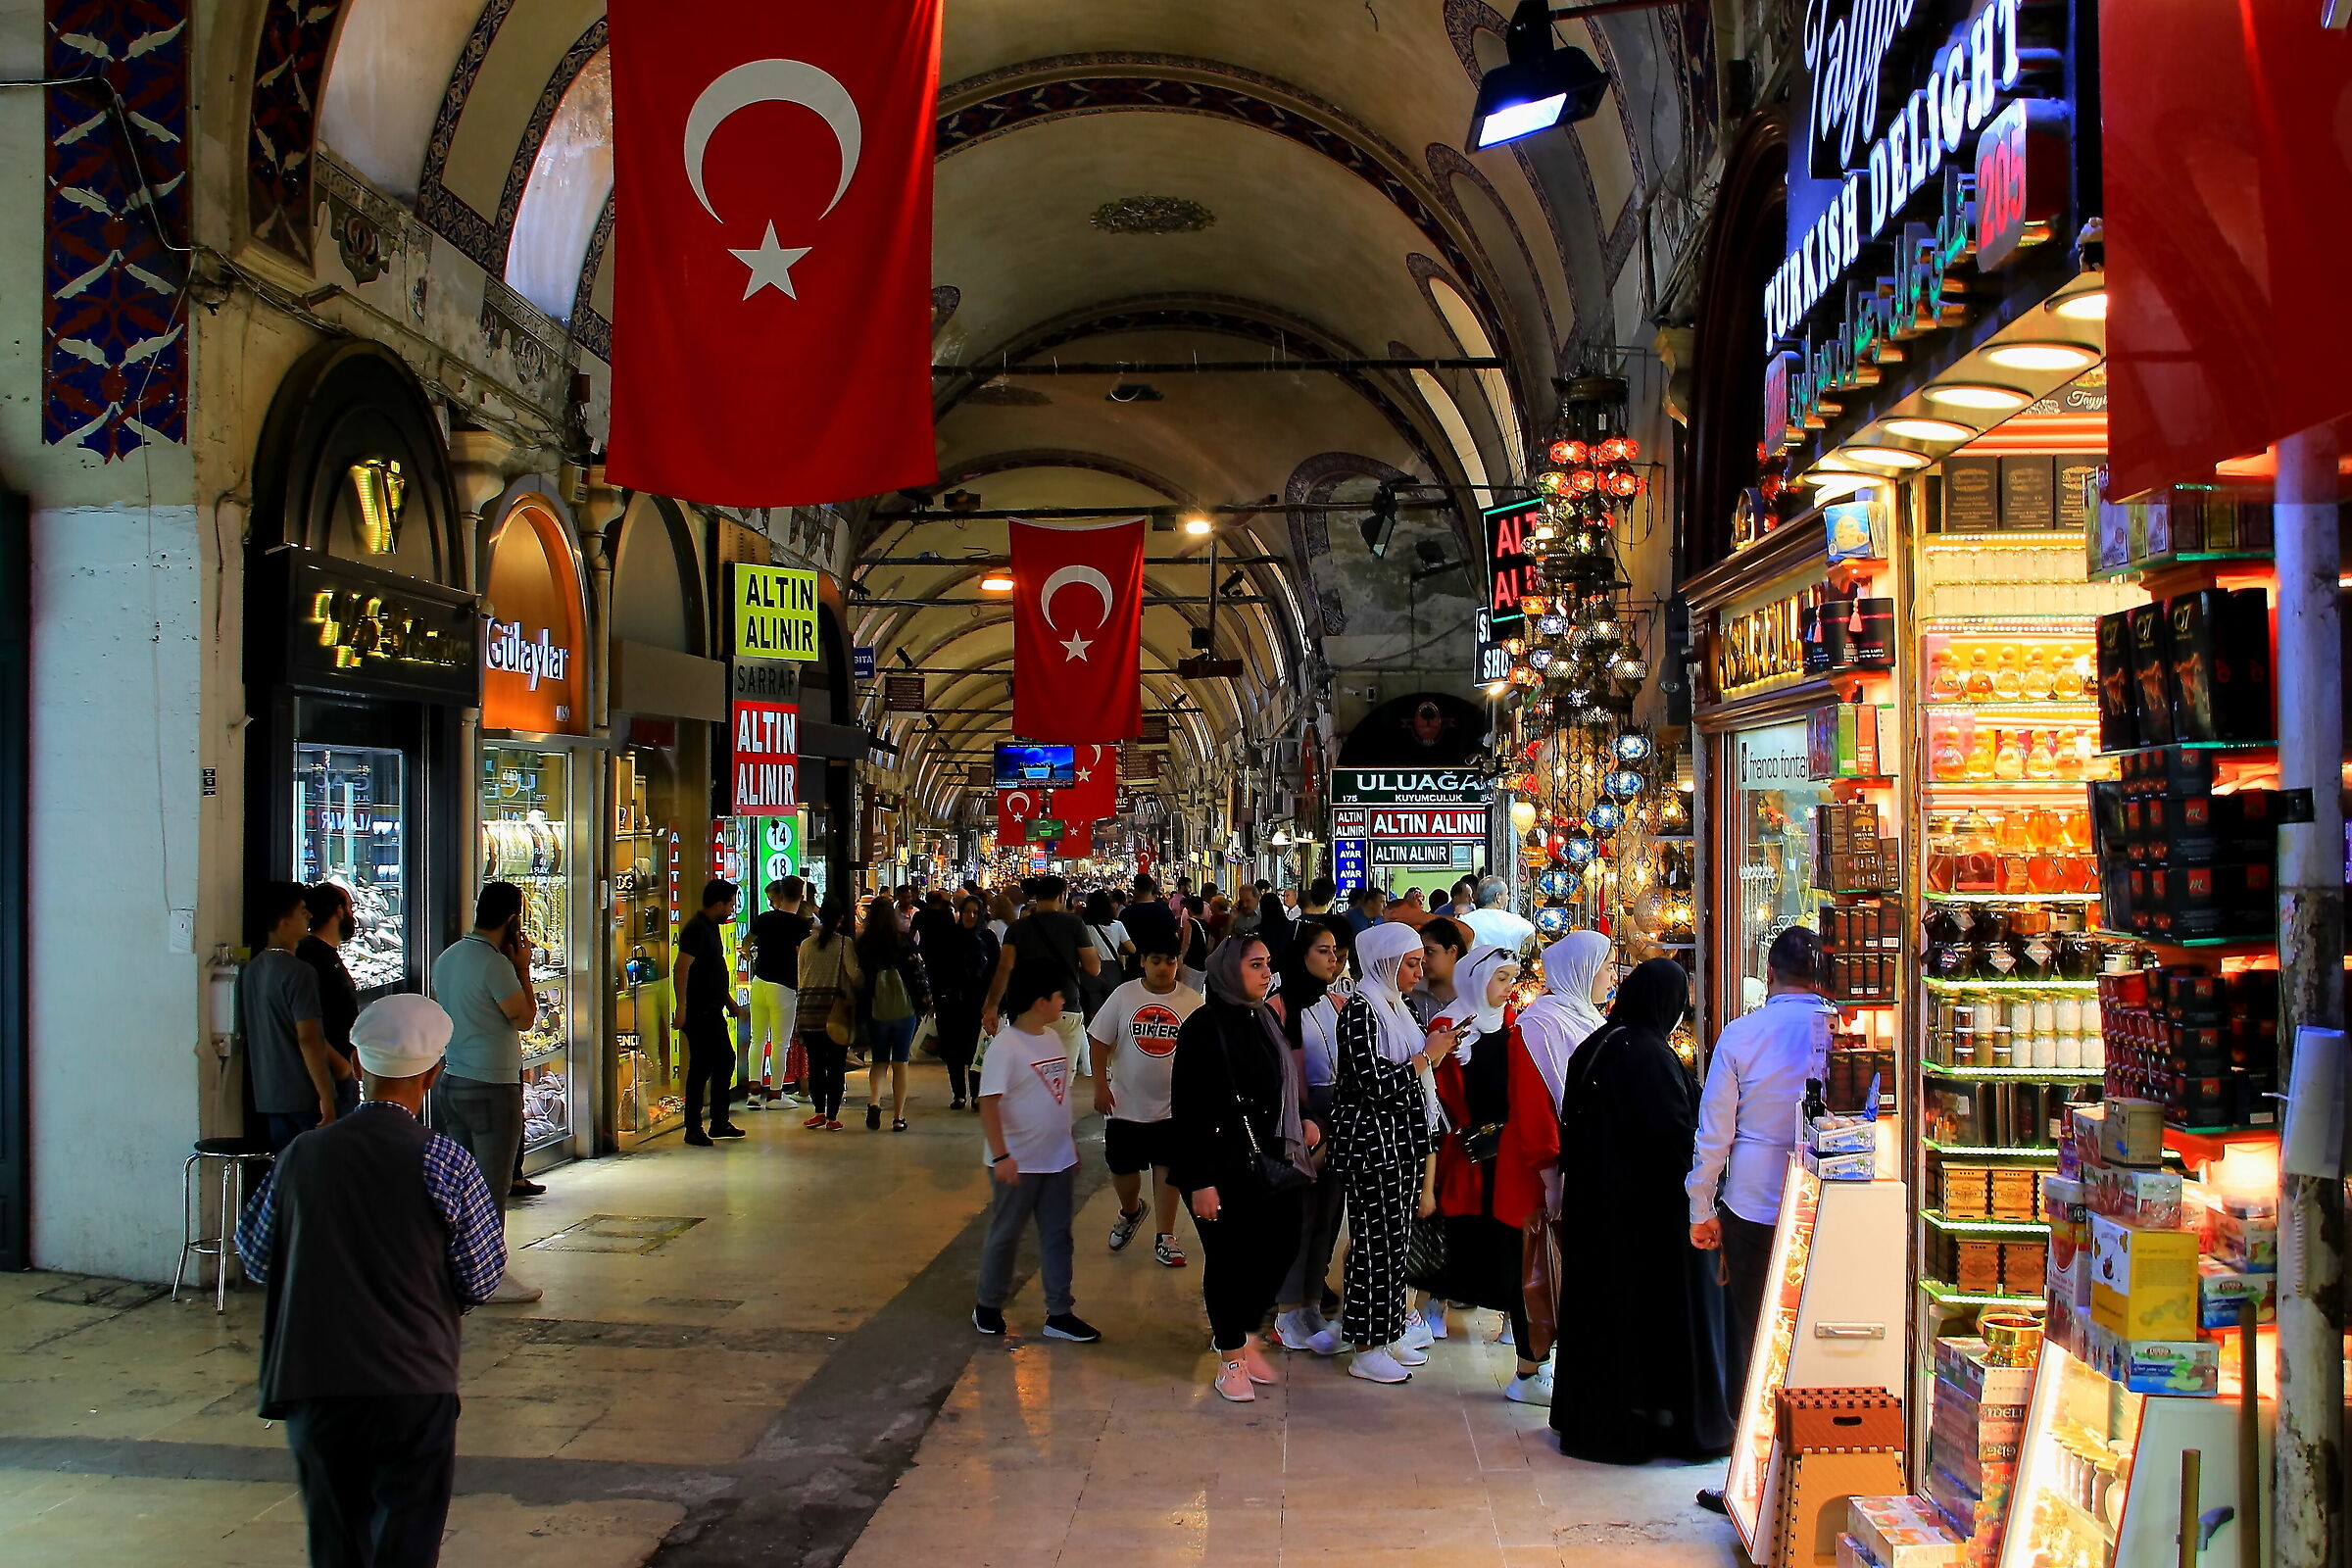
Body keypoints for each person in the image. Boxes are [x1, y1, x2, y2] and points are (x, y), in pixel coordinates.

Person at [235, 994, 506, 1568]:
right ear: (433, 1075)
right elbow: (481, 1277)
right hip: (414, 1381)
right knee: (407, 1544)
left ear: (356, 1066)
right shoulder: (447, 1162)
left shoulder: (299, 1156)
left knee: (336, 1544)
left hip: (315, 1382)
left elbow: (257, 1258)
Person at [1552, 957, 1732, 1465]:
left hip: (1596, 1208)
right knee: (1641, 1319)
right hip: (1642, 1218)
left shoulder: (1598, 1043)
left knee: (1600, 1315)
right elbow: (1671, 1138)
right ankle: (1646, 1422)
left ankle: (1595, 1420)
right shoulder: (1650, 1055)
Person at [1688, 926, 1833, 1510]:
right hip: (1825, 1196)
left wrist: (1701, 1206)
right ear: (1820, 975)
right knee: (1813, 1331)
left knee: (1755, 1336)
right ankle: (1814, 1466)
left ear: (1770, 973)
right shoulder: (1838, 1026)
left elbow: (1714, 1132)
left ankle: (1753, 1479)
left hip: (1751, 1200)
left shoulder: (1743, 1034)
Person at [1168, 936, 1319, 1404]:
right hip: (1219, 1164)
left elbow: (1282, 1082)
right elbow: (1187, 1108)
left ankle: (1245, 1334)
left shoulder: (1263, 1018)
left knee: (1280, 1245)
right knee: (1230, 1260)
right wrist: (1199, 1182)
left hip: (1269, 1159)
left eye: (1267, 964)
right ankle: (1231, 1356)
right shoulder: (1203, 1026)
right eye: (1255, 965)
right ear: (1232, 971)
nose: (1264, 973)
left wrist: (1303, 1120)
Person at [1327, 922, 1459, 1385]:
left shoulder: (1396, 1008)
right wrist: (1427, 1057)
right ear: (1385, 962)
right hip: (1372, 1145)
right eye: (1411, 962)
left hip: (1399, 1143)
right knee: (1374, 1247)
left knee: (1394, 1245)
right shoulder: (1361, 1011)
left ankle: (1387, 1330)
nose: (1418, 971)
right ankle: (1366, 1345)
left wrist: (1434, 1054)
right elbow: (1374, 1084)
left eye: (1421, 962)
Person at [1424, 947, 1554, 1404]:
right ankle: (1439, 1304)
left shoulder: (1514, 1024)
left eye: (1511, 979)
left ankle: (1512, 1326)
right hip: (1470, 1150)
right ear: (1477, 978)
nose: (1507, 989)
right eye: (1500, 979)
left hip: (1509, 1152)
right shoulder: (1451, 1028)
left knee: (1509, 1242)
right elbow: (1439, 1097)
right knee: (1465, 1233)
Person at [429, 882, 542, 1304]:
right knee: (491, 1187)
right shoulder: (495, 964)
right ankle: (488, 1275)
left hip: (453, 1080)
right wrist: (523, 969)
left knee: (460, 1185)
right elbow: (525, 1017)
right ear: (513, 919)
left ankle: (455, 1266)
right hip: (492, 1085)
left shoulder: (449, 957)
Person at [974, 967, 1101, 1345]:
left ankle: (1059, 1313)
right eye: (1058, 997)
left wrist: (1069, 1145)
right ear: (1039, 1002)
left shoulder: (1051, 1039)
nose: (1063, 1003)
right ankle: (987, 1305)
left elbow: (1056, 1097)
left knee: (1058, 1235)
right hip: (1018, 1161)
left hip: (1056, 1160)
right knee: (1007, 1234)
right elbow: (989, 1103)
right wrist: (1001, 1156)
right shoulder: (1006, 1046)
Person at [1090, 936, 1202, 1268]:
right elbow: (1098, 1040)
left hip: (1172, 1105)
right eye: (1156, 961)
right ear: (1143, 962)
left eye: (1170, 961)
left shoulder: (1192, 1001)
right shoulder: (1124, 995)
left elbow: (1203, 1050)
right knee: (1122, 1167)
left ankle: (1165, 1235)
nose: (1164, 969)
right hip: (1125, 1102)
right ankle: (1131, 1211)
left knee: (1168, 1170)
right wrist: (1099, 1084)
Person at [1270, 915, 1350, 1356]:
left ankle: (1312, 1306)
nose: (1333, 960)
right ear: (1300, 955)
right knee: (1296, 1219)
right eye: (1323, 951)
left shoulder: (1335, 1004)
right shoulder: (1279, 1008)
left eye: (1336, 951)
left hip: (1335, 1120)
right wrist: (1301, 1120)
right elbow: (1279, 1075)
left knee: (1327, 1216)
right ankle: (1287, 1311)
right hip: (1298, 1123)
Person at [246, 881, 342, 1153]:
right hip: (303, 1092)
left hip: (269, 1093)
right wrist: (327, 1095)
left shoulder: (253, 970)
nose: (309, 916)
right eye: (302, 911)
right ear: (283, 921)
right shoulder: (300, 972)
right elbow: (309, 1038)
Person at [982, 875, 1100, 1075]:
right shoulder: (1074, 924)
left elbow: (1004, 969)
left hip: (1025, 1009)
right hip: (1064, 1008)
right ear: (1062, 896)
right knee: (1056, 1083)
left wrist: (992, 1006)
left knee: (1028, 1077)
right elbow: (1093, 968)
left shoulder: (1017, 928)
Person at [672, 879, 750, 1147]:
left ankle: (718, 1121)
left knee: (722, 1062)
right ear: (719, 904)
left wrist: (729, 1001)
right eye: (730, 904)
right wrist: (681, 1007)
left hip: (712, 1007)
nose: (731, 909)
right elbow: (681, 969)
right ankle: (695, 1127)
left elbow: (712, 972)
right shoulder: (696, 930)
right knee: (703, 1068)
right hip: (700, 1011)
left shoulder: (710, 928)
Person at [857, 893, 932, 1132]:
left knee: (879, 1062)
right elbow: (918, 973)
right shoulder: (903, 941)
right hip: (904, 1009)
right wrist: (924, 1002)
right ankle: (898, 1116)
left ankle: (874, 1102)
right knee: (901, 1063)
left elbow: (860, 980)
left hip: (876, 1010)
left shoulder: (863, 944)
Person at [296, 883, 363, 1121]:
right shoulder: (312, 957)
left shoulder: (322, 954)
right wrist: (342, 1068)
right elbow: (307, 1025)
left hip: (338, 1071)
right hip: (328, 1076)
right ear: (338, 911)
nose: (353, 915)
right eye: (350, 907)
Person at [795, 898, 862, 1130]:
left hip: (809, 1011)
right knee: (835, 1065)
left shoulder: (805, 944)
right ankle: (832, 1117)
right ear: (842, 919)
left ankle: (818, 1112)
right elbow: (854, 974)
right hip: (835, 1014)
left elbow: (801, 977)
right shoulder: (844, 944)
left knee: (815, 1064)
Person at [746, 877, 812, 1108]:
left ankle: (753, 1093)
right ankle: (775, 1094)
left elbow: (746, 943)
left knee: (757, 1038)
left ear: (780, 895)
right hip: (784, 987)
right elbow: (801, 956)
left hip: (759, 982)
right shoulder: (800, 926)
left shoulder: (764, 918)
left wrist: (748, 954)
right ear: (801, 898)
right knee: (780, 1043)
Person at [929, 896, 1000, 1109]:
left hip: (978, 1003)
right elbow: (936, 969)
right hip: (951, 1003)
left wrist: (994, 1001)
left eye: (975, 913)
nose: (970, 916)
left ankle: (978, 1095)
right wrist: (935, 997)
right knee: (954, 1051)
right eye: (967, 912)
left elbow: (997, 971)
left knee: (976, 1051)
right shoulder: (949, 936)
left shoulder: (987, 938)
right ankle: (958, 1094)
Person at [1079, 890, 1131, 1014]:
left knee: (1093, 1011)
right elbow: (1131, 949)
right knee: (1112, 1010)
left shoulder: (1083, 927)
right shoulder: (1117, 925)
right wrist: (1117, 947)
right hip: (1113, 971)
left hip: (1089, 971)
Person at [1462, 876, 1537, 958]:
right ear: (1498, 897)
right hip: (1507, 970)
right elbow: (1534, 938)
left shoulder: (1465, 920)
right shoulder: (1516, 922)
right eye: (1507, 894)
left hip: (1474, 970)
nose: (1508, 898)